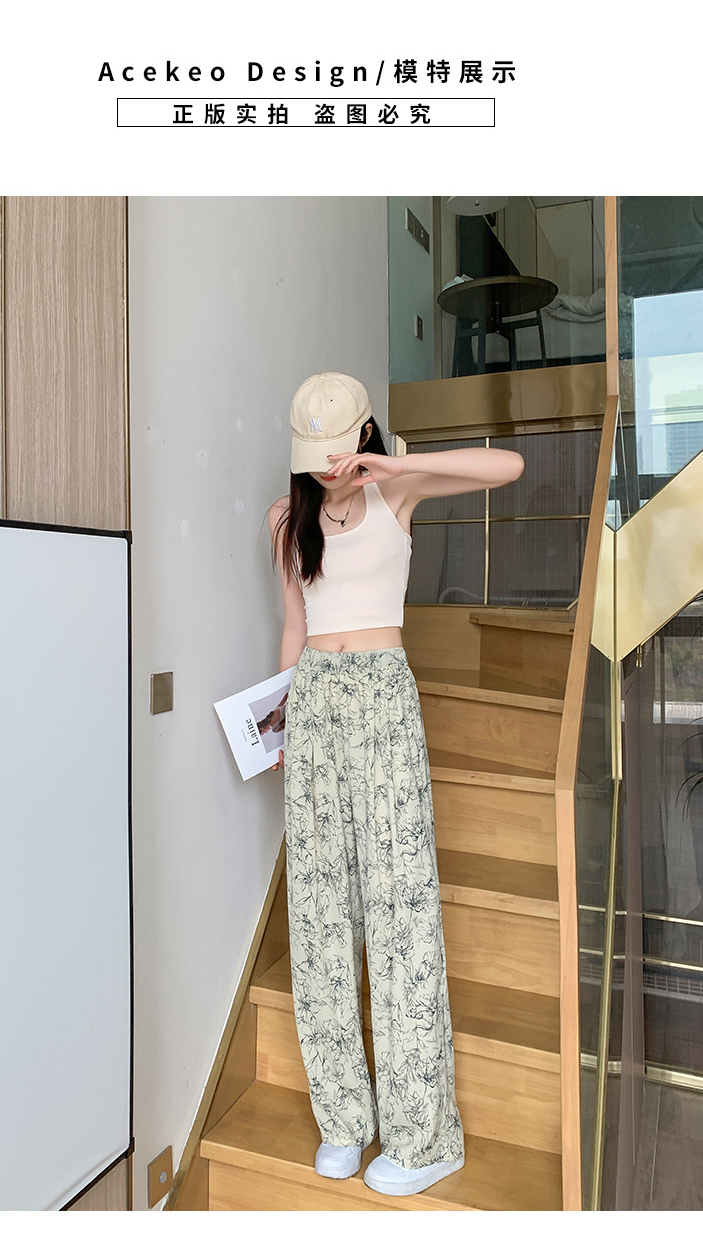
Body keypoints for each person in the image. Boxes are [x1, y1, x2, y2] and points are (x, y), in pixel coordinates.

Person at [267, 372, 524, 1198]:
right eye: (314, 456)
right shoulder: (285, 520)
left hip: (382, 697)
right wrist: (279, 721)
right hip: (314, 701)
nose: (327, 468)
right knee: (319, 912)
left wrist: (397, 466)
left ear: (366, 435)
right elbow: (295, 625)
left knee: (398, 905)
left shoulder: (397, 491)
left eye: (339, 451)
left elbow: (507, 467)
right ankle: (344, 1115)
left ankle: (423, 1133)